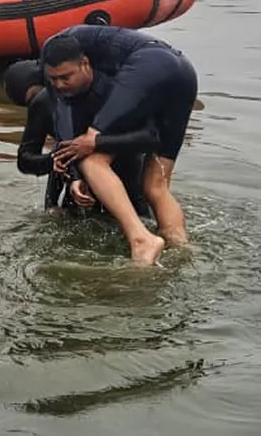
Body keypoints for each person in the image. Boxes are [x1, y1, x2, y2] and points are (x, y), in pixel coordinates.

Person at [43, 26, 198, 266]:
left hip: (147, 65)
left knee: (90, 156)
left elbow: (64, 121)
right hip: (184, 72)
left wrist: (77, 169)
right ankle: (180, 247)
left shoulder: (52, 54)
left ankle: (141, 240)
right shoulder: (78, 46)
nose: (59, 85)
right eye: (55, 79)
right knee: (156, 184)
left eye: (65, 78)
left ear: (85, 63)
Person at [3, 59, 155, 217]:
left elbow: (149, 138)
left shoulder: (110, 96)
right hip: (102, 194)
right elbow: (51, 156)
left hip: (122, 190)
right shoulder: (44, 104)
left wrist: (95, 144)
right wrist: (53, 166)